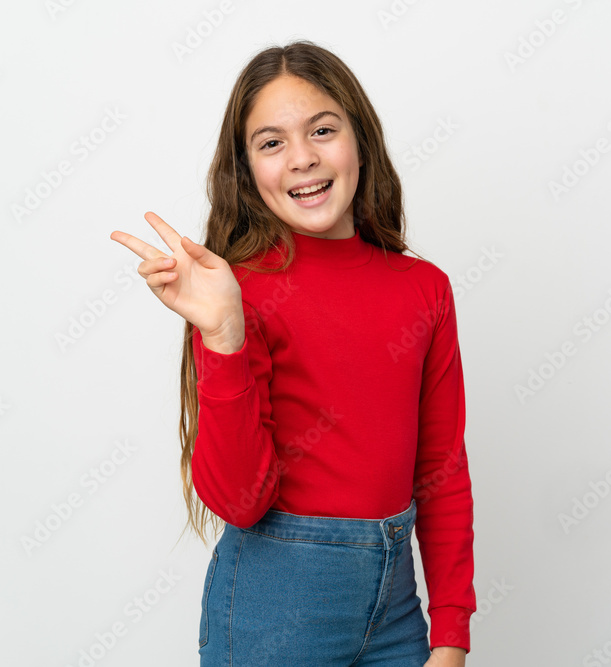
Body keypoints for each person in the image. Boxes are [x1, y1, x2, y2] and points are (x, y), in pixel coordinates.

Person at [111, 40, 475, 666]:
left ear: (360, 139)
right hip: (276, 604)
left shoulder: (425, 289)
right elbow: (239, 501)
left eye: (323, 130)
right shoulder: (236, 291)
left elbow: (442, 472)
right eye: (272, 142)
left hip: (396, 610)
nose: (303, 158)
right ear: (246, 168)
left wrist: (449, 635)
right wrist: (224, 335)